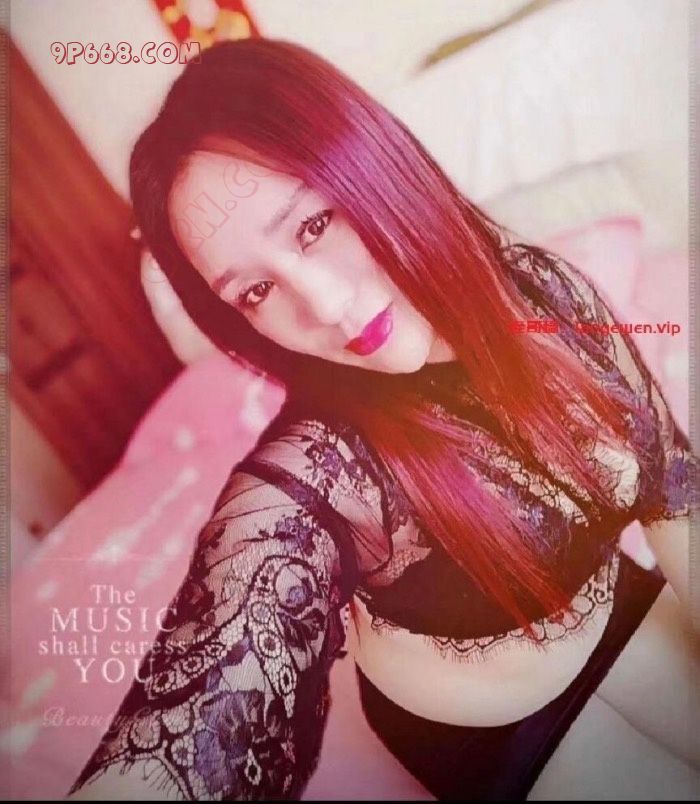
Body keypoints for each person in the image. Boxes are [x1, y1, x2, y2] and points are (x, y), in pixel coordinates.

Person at [67, 38, 698, 800]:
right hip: (491, 726)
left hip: (605, 600)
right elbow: (212, 683)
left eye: (313, 225)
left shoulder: (549, 296)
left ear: (373, 165)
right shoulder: (326, 470)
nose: (328, 307)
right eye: (255, 292)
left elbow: (673, 485)